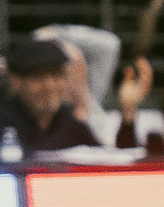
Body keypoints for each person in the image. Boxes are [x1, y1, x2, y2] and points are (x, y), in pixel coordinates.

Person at [0, 33, 145, 154]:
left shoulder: (69, 122)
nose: (50, 86)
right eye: (39, 78)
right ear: (16, 81)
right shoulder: (5, 120)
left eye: (57, 76)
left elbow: (110, 163)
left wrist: (128, 113)